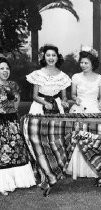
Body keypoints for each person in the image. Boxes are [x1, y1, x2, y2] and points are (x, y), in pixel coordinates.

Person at [66, 46, 101, 179]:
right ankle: (77, 168)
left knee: (92, 139)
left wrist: (100, 103)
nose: (83, 65)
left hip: (94, 109)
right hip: (79, 109)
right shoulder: (76, 77)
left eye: (86, 63)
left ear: (92, 63)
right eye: (81, 62)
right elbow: (73, 94)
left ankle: (93, 168)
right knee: (78, 138)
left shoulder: (99, 78)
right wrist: (76, 100)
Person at [0, 57, 36, 196]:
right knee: (2, 152)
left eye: (7, 68)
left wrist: (10, 99)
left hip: (12, 121)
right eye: (2, 68)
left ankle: (17, 181)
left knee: (16, 150)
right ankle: (3, 184)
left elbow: (15, 106)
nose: (5, 71)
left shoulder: (13, 85)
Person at [26, 44, 71, 115]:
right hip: (39, 106)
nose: (51, 58)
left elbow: (64, 97)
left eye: (54, 55)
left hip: (57, 105)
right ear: (44, 57)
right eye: (48, 55)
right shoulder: (38, 74)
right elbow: (35, 96)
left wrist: (64, 101)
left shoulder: (63, 76)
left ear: (57, 57)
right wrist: (45, 103)